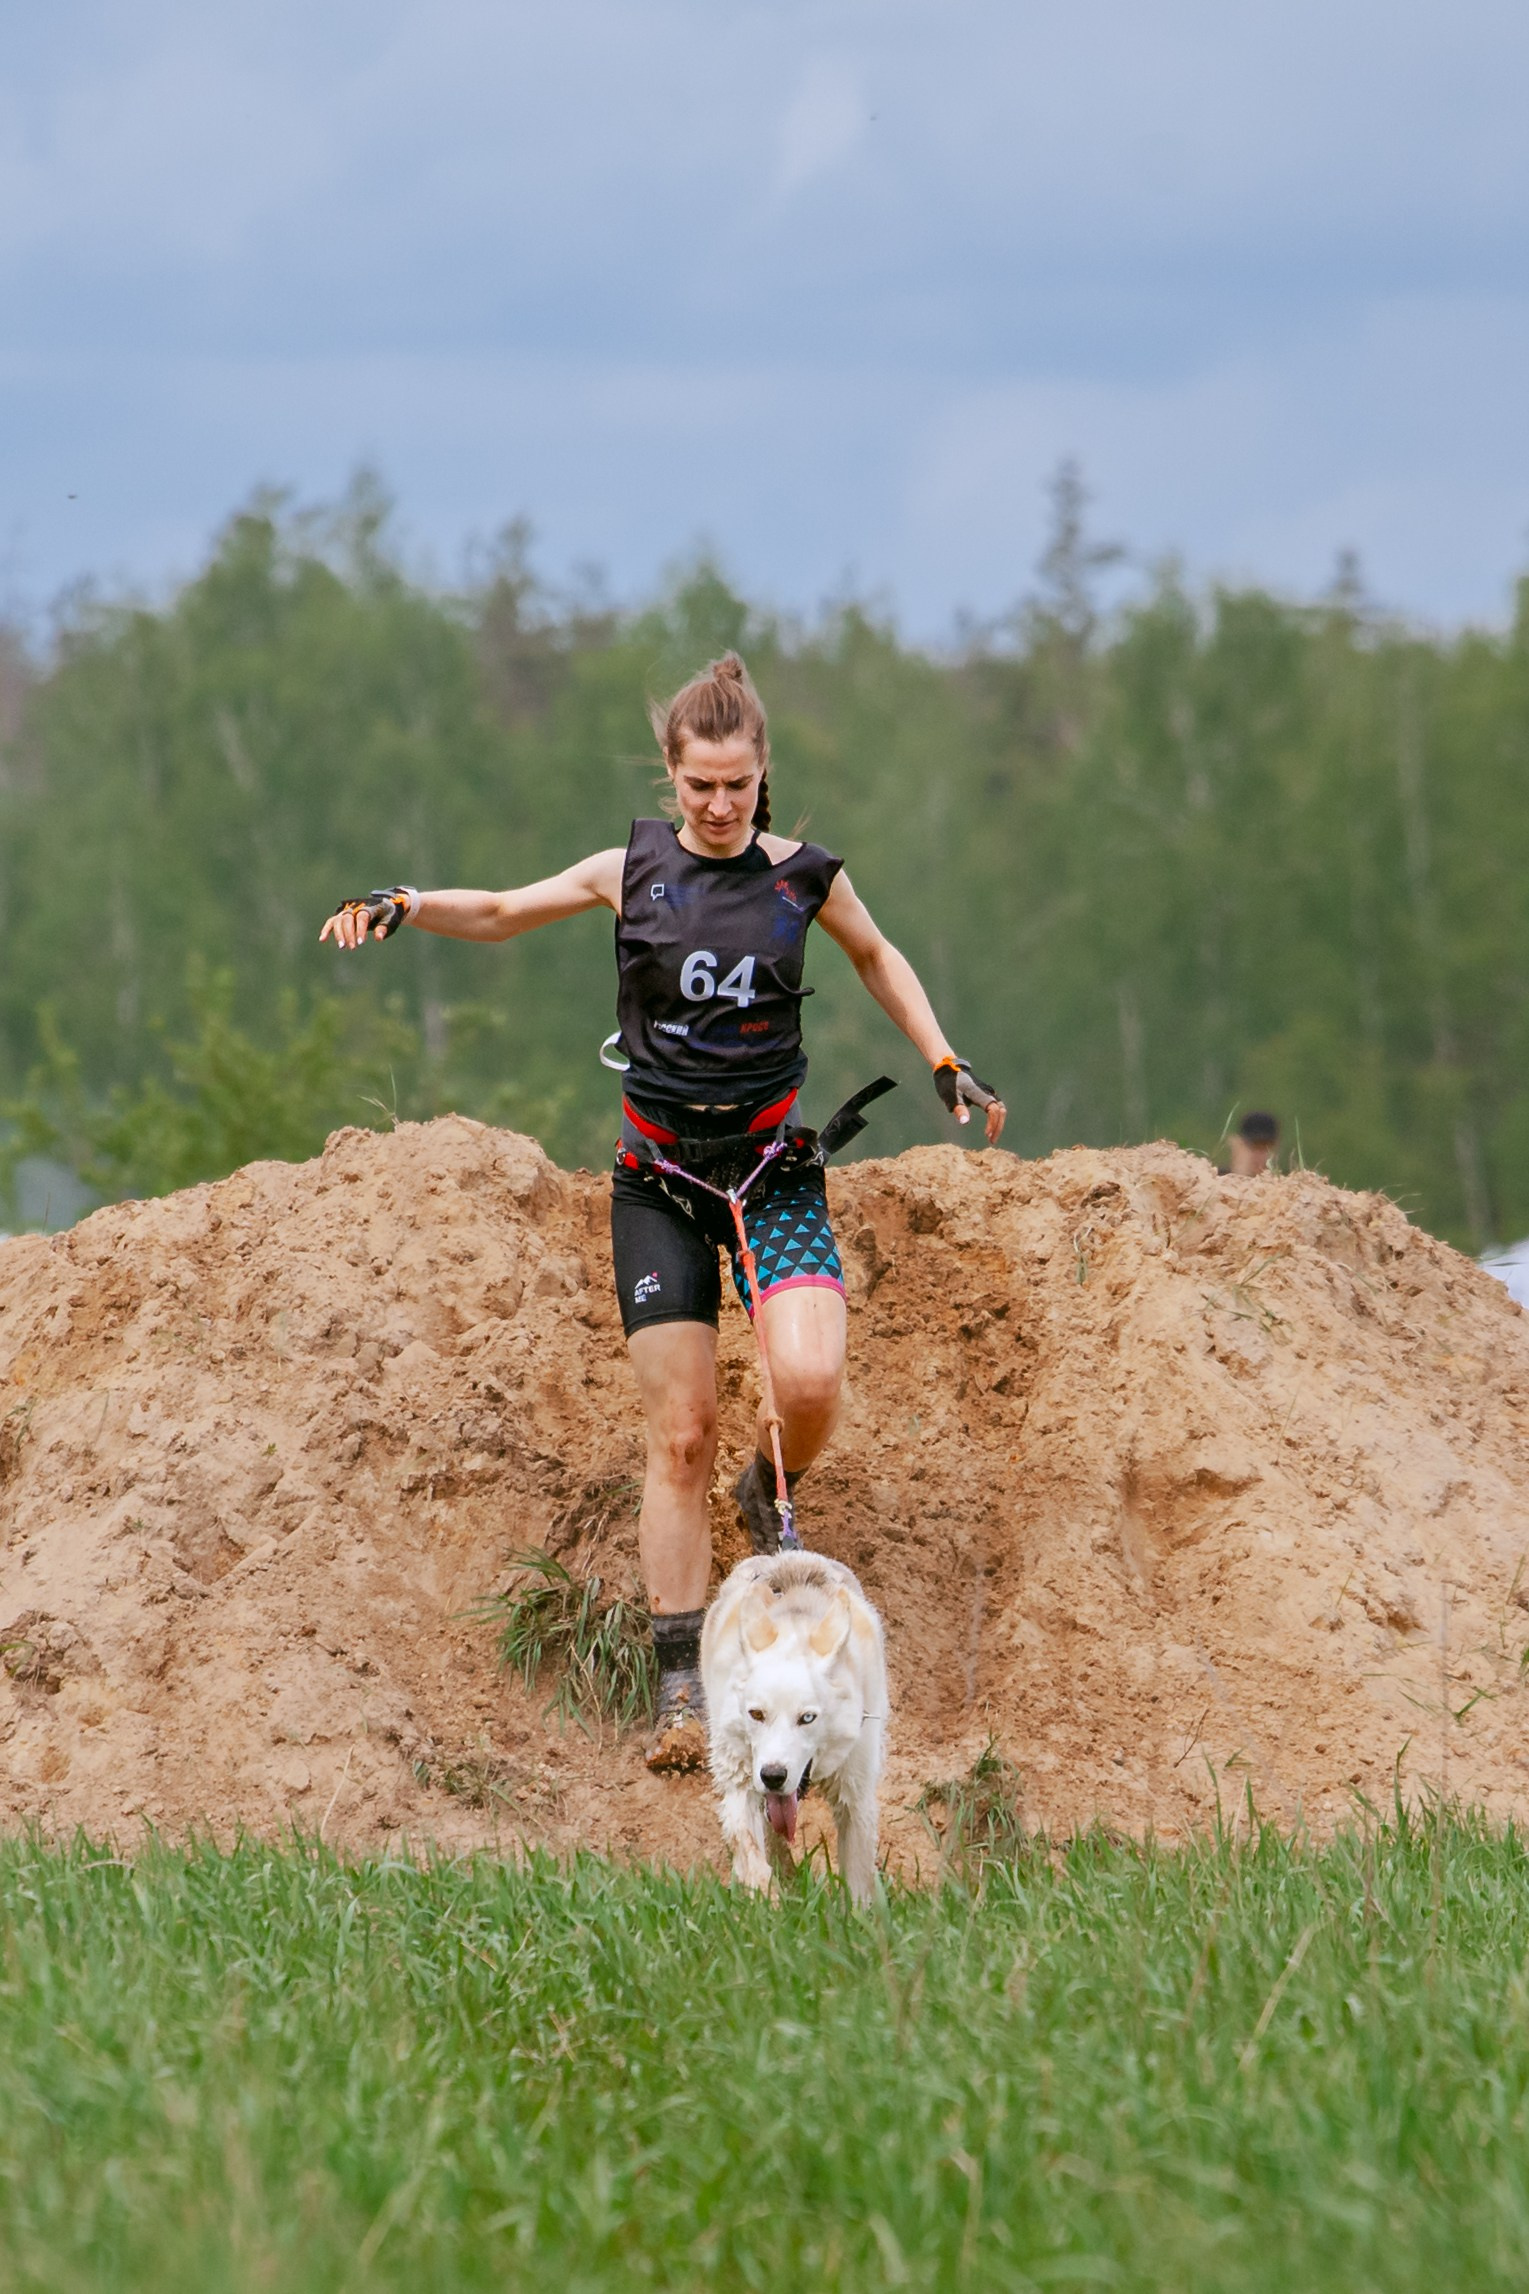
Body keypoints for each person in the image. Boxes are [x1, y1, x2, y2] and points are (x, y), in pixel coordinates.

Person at [321, 653, 1005, 1771]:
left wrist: (940, 1055)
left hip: (772, 1171)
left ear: (763, 772)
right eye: (700, 786)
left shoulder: (804, 879)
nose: (720, 805)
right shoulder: (628, 869)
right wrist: (406, 902)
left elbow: (877, 956)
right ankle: (681, 1684)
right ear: (670, 776)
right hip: (659, 1182)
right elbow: (502, 910)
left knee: (809, 1384)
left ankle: (766, 1486)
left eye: (737, 785)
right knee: (679, 1432)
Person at [1221, 1110, 1280, 1177]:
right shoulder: (1214, 1178)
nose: (1259, 1156)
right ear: (1236, 1145)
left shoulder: (1282, 1182)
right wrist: (1240, 1174)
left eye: (1266, 1148)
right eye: (1254, 1147)